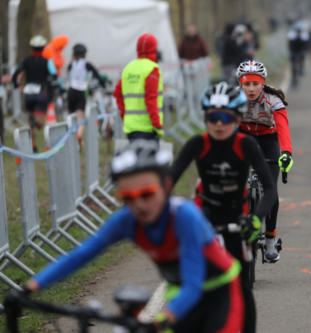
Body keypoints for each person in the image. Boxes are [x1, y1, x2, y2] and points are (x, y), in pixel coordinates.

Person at [24, 140, 244, 332]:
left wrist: (160, 321)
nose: (139, 204)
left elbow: (193, 285)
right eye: (127, 197)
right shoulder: (127, 220)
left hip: (220, 292)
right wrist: (32, 286)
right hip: (179, 293)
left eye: (147, 194)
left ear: (166, 186)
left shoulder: (185, 217)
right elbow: (82, 254)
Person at [170, 81, 277, 333]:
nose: (218, 123)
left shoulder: (245, 144)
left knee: (241, 286)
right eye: (212, 117)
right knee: (190, 283)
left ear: (238, 118)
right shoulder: (197, 143)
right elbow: (168, 181)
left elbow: (270, 189)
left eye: (225, 117)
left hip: (236, 219)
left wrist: (255, 219)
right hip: (203, 216)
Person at [236, 60, 293, 263]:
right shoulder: (234, 101)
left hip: (269, 141)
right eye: (246, 84)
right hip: (245, 139)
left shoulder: (273, 101)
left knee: (271, 191)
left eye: (255, 84)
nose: (251, 89)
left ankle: (270, 237)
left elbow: (283, 129)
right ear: (240, 84)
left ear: (263, 84)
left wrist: (286, 153)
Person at [113, 33, 164, 143]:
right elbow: (151, 99)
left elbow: (117, 93)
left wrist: (125, 115)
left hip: (131, 127)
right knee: (149, 160)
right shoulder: (152, 69)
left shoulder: (128, 67)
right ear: (154, 48)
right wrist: (157, 124)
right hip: (148, 128)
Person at [11, 35, 58, 152]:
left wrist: (16, 85)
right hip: (41, 93)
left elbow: (16, 73)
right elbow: (54, 76)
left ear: (32, 48)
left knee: (30, 120)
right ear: (43, 48)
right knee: (40, 124)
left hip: (28, 93)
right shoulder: (47, 62)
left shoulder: (26, 61)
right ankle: (35, 121)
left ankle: (34, 145)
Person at [67, 43, 106, 148]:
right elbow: (97, 76)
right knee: (81, 118)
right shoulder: (86, 64)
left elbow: (69, 75)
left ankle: (72, 138)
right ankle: (78, 135)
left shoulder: (71, 65)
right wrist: (104, 84)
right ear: (84, 54)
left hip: (70, 92)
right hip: (81, 92)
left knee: (71, 117)